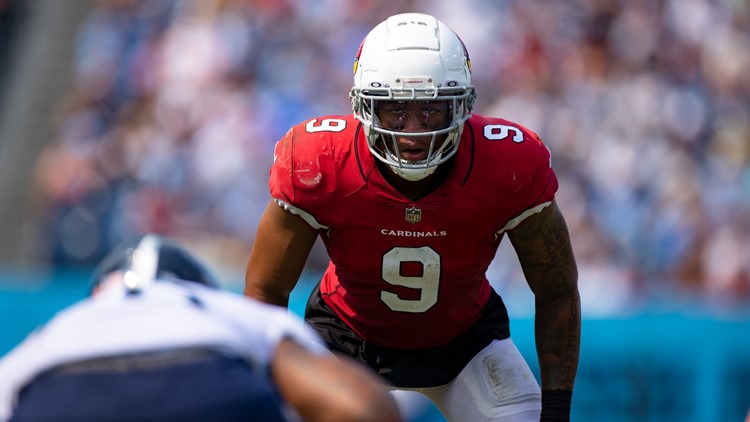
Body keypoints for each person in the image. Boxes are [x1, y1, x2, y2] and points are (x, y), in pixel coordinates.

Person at [244, 12, 580, 422]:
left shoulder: (508, 163)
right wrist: (267, 386)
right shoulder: (321, 161)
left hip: (466, 345)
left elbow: (557, 289)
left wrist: (557, 410)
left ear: (462, 105)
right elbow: (265, 290)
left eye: (432, 110)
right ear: (364, 107)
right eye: (395, 110)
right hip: (344, 338)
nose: (413, 130)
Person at [0, 234, 402, 422]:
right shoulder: (226, 311)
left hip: (60, 398)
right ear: (197, 285)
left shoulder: (54, 332)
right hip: (208, 385)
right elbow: (362, 407)